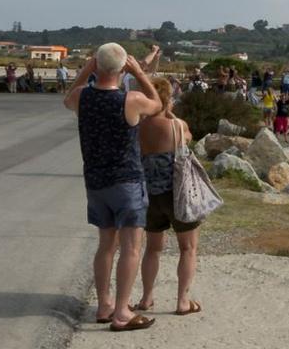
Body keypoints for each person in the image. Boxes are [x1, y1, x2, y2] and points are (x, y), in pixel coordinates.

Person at [63, 43, 161, 332]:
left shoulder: (82, 98)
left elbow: (67, 98)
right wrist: (140, 73)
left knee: (106, 245)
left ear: (96, 65)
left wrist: (85, 71)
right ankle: (122, 311)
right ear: (122, 68)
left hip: (95, 182)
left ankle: (105, 304)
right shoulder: (130, 100)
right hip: (127, 181)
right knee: (131, 247)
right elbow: (158, 104)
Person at [134, 77, 202, 317]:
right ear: (168, 99)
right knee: (188, 248)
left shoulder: (138, 127)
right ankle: (183, 301)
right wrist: (171, 115)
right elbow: (189, 137)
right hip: (178, 194)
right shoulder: (176, 126)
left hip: (150, 195)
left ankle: (146, 298)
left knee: (152, 249)